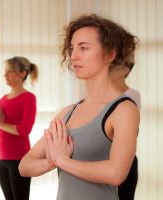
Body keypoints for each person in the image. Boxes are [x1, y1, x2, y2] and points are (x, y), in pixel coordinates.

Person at [18, 14, 140, 200]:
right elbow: (25, 165)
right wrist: (52, 161)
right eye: (72, 48)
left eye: (83, 48)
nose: (74, 56)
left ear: (110, 54)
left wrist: (62, 161)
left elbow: (116, 173)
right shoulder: (67, 113)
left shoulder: (124, 110)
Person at [0, 56, 38, 200]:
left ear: (23, 73)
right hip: (1, 159)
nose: (5, 75)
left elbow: (24, 130)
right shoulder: (3, 99)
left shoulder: (28, 98)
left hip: (20, 160)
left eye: (10, 71)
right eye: (5, 72)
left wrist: (0, 124)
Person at [111, 64, 141, 200]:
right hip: (106, 159)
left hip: (126, 160)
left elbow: (130, 131)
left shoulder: (132, 95)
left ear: (126, 70)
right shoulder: (105, 94)